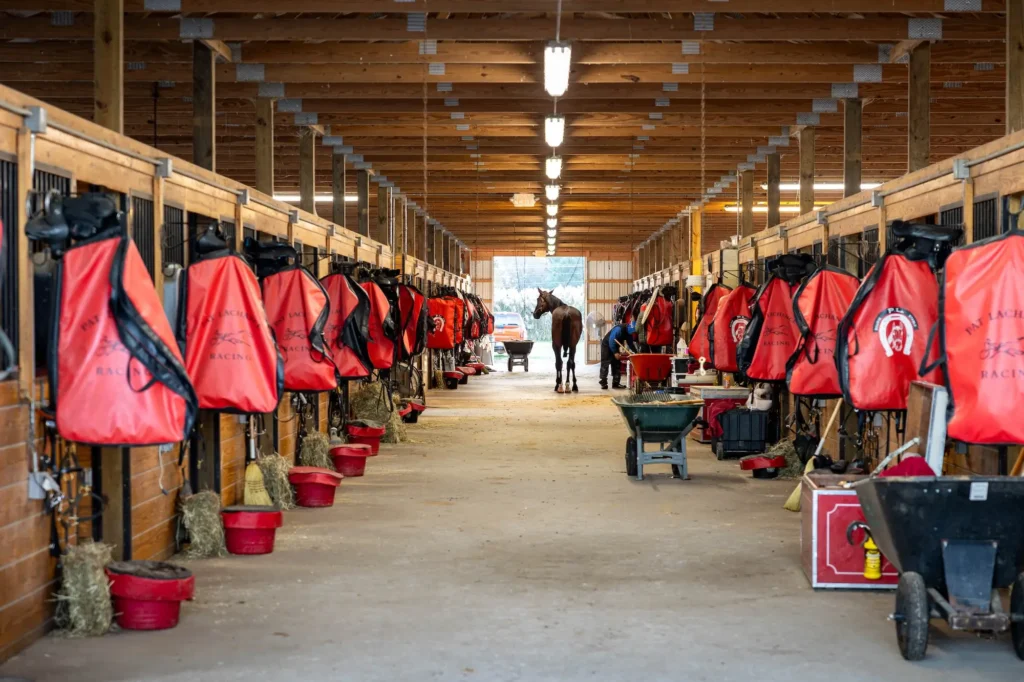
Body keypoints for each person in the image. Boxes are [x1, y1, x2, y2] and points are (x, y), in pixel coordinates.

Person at [600, 322, 635, 390]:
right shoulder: (619, 329)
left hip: (615, 345)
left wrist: (636, 352)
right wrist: (615, 352)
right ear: (628, 328)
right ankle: (603, 383)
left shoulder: (629, 333)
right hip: (607, 345)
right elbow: (611, 341)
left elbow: (630, 344)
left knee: (616, 363)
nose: (632, 334)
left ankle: (616, 383)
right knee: (605, 363)